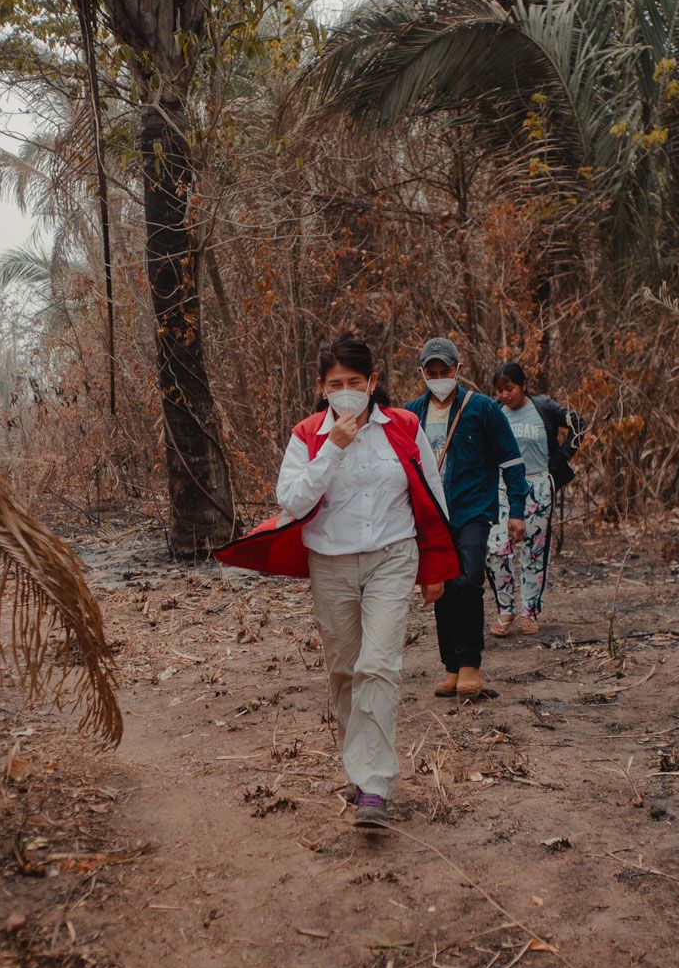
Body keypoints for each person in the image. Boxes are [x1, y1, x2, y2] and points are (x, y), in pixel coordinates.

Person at [214, 336, 457, 829]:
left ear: (373, 382)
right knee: (345, 671)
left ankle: (374, 785)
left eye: (354, 382)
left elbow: (432, 497)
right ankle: (360, 760)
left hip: (393, 555)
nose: (345, 392)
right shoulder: (308, 434)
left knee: (378, 665)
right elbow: (294, 502)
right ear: (321, 389)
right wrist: (333, 449)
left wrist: (435, 569)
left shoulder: (405, 427)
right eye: (334, 385)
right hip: (331, 563)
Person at [404, 338, 526, 700]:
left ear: (459, 369)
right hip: (432, 515)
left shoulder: (483, 409)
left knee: (468, 580)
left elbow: (511, 461)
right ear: (422, 373)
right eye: (432, 372)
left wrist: (516, 512)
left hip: (473, 510)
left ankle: (471, 663)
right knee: (441, 588)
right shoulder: (411, 414)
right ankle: (452, 667)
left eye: (446, 371)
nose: (439, 377)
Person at [485, 361, 575, 635]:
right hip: (502, 487)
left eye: (509, 388)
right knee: (496, 549)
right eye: (500, 390)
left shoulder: (543, 407)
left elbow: (578, 424)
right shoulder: (494, 411)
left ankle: (530, 612)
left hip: (537, 485)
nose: (505, 395)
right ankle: (505, 609)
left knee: (533, 552)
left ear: (523, 385)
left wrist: (559, 459)